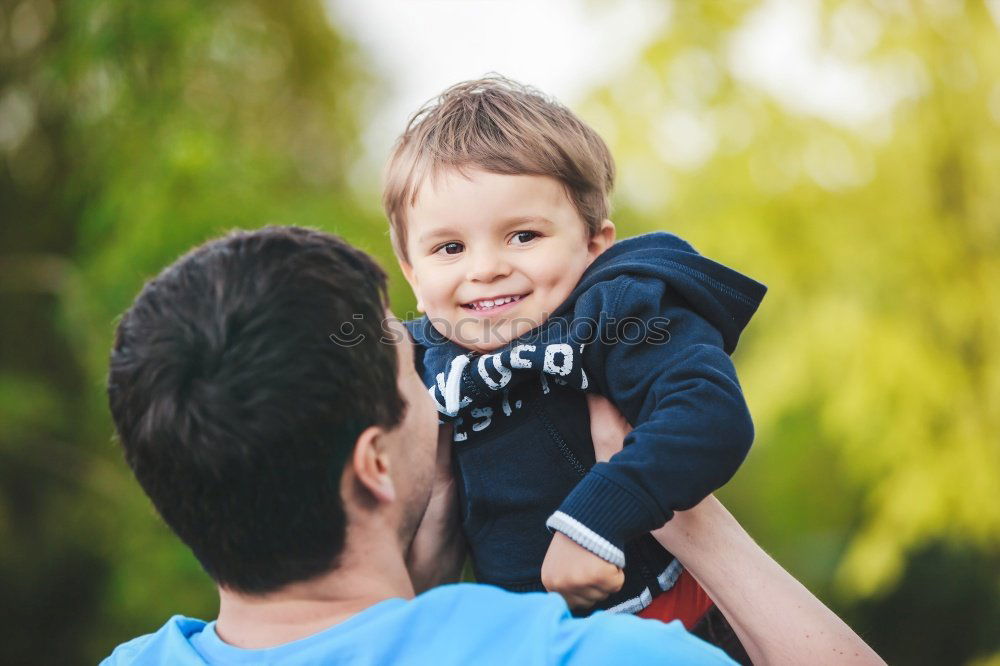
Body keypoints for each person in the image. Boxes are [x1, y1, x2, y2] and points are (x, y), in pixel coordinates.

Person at [101, 226, 884, 665]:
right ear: (374, 463)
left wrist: (434, 540)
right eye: (413, 368)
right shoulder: (584, 658)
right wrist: (688, 517)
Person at [382, 75, 765, 639]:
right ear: (414, 274)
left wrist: (594, 522)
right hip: (525, 642)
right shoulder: (419, 360)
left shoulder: (616, 313)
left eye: (523, 236)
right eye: (450, 248)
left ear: (593, 244)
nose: (484, 268)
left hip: (665, 626)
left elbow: (709, 414)